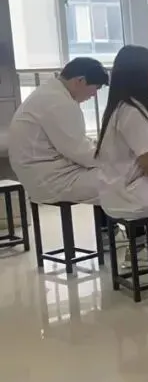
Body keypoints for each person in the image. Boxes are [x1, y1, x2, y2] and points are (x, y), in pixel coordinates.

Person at [9, 57, 111, 243]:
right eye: (95, 88)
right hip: (53, 179)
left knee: (114, 175)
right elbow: (81, 152)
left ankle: (109, 233)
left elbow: (75, 143)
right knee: (121, 180)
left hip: (45, 172)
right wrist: (115, 156)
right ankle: (133, 244)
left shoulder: (50, 93)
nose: (94, 95)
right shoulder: (59, 102)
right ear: (79, 81)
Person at [96, 45, 148, 223]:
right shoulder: (134, 112)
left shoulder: (124, 106)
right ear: (142, 75)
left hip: (122, 192)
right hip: (134, 198)